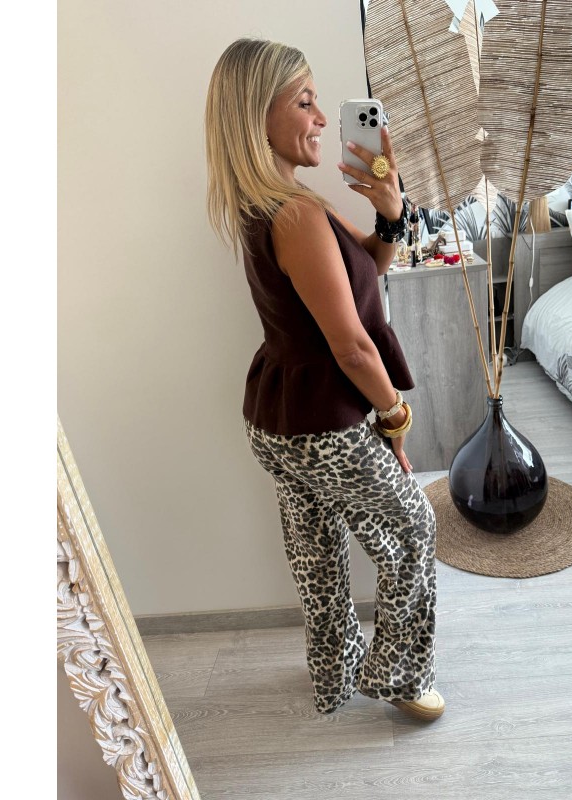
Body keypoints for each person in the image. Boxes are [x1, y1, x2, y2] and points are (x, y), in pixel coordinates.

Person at [204, 38, 444, 721]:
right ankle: (401, 676)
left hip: (278, 418)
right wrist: (395, 415)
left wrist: (391, 212)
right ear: (258, 116)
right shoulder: (297, 213)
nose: (319, 118)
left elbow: (369, 264)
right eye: (304, 102)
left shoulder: (274, 203)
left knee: (317, 550)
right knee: (413, 527)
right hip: (321, 425)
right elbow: (353, 347)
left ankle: (334, 674)